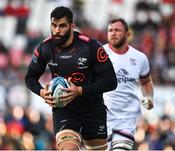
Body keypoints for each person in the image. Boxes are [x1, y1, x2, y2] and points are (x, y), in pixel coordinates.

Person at [25, 6, 117, 150]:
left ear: (72, 26)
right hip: (64, 108)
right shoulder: (45, 48)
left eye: (62, 26)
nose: (56, 30)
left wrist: (79, 91)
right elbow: (30, 78)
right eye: (53, 26)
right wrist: (42, 92)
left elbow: (111, 82)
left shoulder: (91, 47)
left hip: (92, 108)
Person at [103, 18, 154, 150]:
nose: (113, 33)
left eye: (117, 30)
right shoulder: (99, 54)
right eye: (110, 30)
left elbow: (146, 81)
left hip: (127, 119)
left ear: (127, 34)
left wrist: (148, 97)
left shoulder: (140, 58)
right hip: (101, 117)